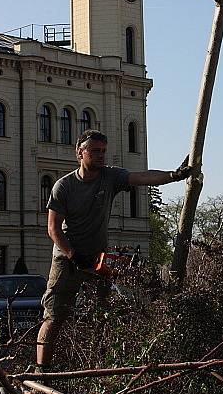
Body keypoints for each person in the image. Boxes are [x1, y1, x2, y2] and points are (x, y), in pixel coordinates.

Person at [36, 129, 191, 373]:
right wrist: (74, 255)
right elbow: (53, 229)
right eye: (95, 151)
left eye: (103, 151)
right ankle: (41, 371)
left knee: (102, 315)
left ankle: (98, 371)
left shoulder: (110, 177)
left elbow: (143, 177)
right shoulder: (63, 186)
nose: (100, 156)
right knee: (54, 316)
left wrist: (175, 175)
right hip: (67, 260)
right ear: (80, 153)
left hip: (98, 261)